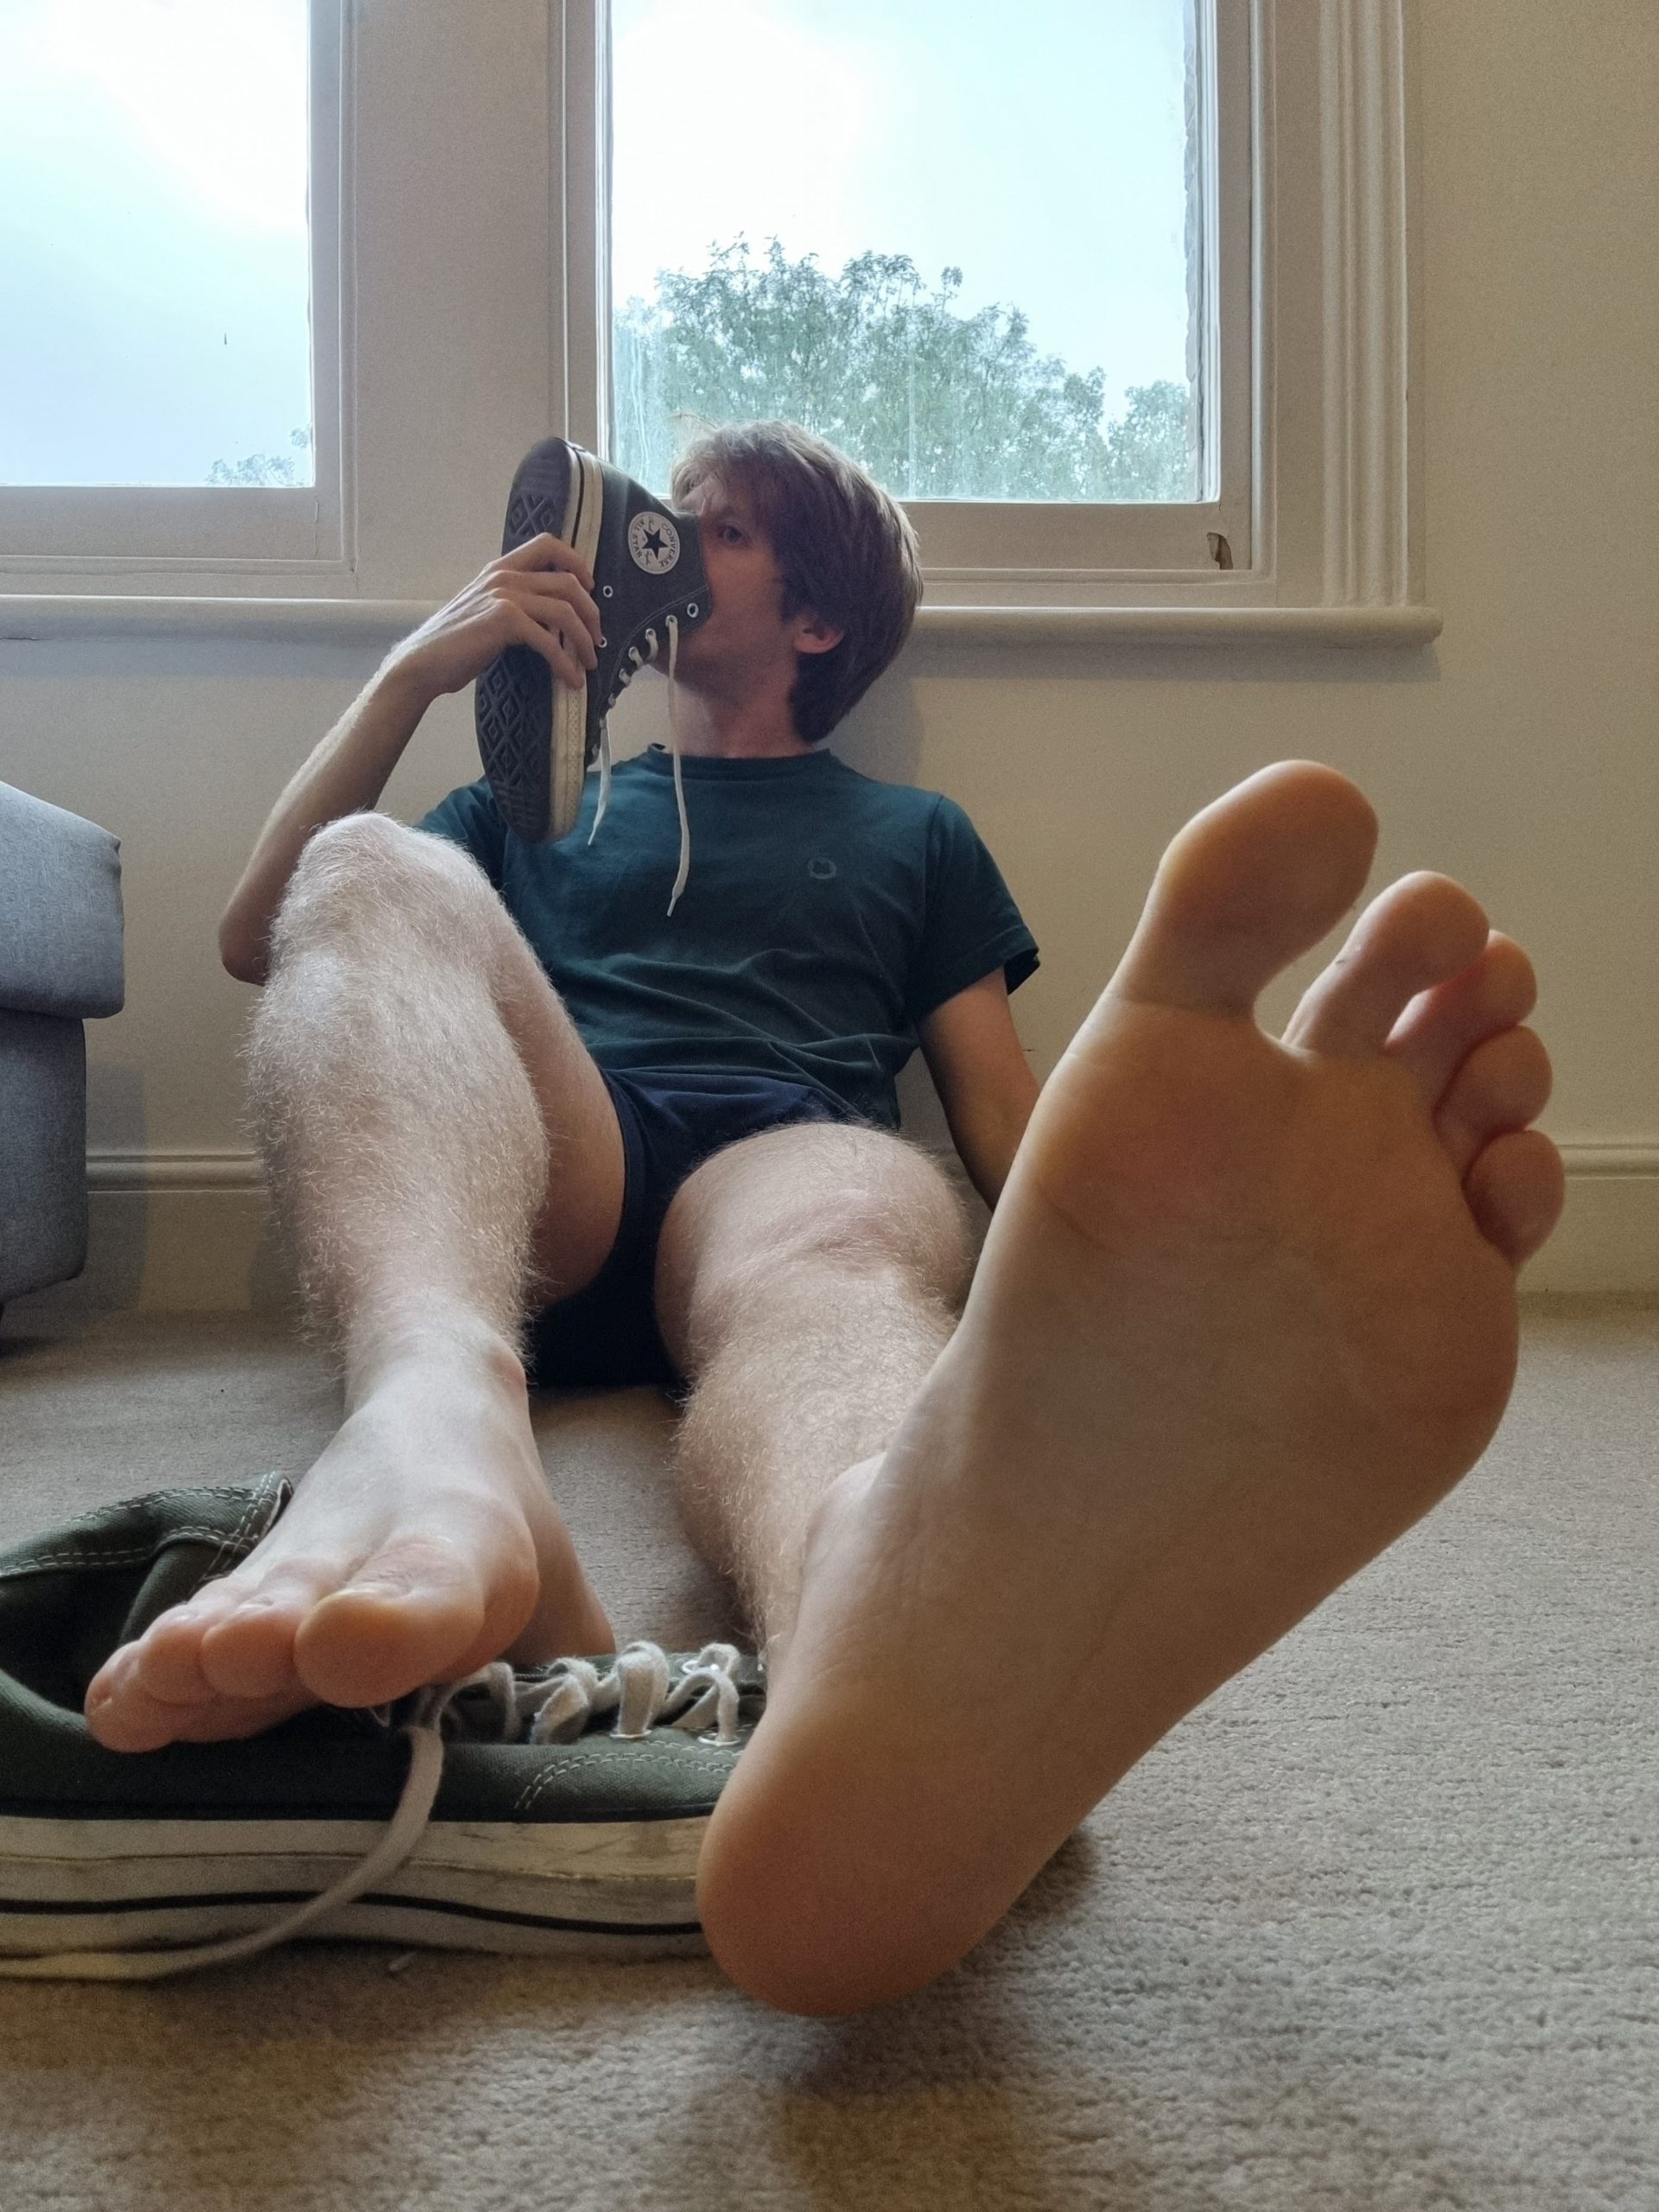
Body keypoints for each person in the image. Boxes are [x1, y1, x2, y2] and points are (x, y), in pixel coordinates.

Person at [78, 422, 1564, 2017]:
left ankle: (879, 1599)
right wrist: (419, 672)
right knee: (371, 868)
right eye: (665, 518)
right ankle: (437, 1415)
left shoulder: (913, 835)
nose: (657, 547)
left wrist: (1133, 1288)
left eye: (716, 531)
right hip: (547, 1161)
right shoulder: (534, 806)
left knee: (841, 1237)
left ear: (817, 620)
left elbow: (999, 1116)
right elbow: (265, 934)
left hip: (783, 1159)